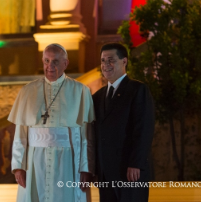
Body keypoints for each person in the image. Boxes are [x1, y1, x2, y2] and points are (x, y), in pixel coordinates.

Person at [8, 43, 95, 202]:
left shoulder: (81, 91)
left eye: (55, 61)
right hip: (35, 161)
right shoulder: (28, 91)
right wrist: (18, 166)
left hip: (68, 160)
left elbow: (85, 135)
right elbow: (20, 134)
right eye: (46, 61)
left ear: (65, 63)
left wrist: (86, 167)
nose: (50, 66)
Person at [92, 43, 154, 202]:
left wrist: (136, 164)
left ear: (124, 61)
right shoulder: (97, 97)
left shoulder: (137, 90)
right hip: (105, 175)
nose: (106, 65)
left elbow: (143, 130)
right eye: (103, 60)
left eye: (110, 60)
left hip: (130, 172)